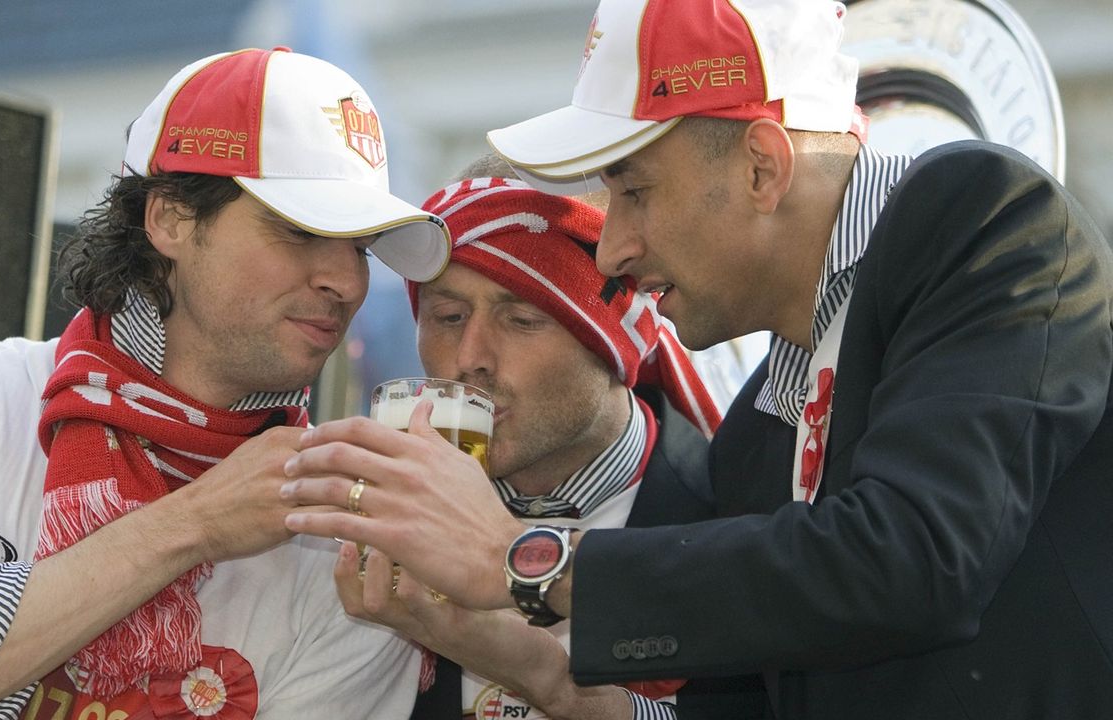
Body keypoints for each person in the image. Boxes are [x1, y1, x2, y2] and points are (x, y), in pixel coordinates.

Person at [278, 1, 1113, 718]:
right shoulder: (752, 437)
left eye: (633, 191)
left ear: (762, 166)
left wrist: (520, 558)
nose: (610, 250)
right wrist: (493, 648)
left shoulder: (986, 217)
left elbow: (915, 557)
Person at [0, 47, 452, 720]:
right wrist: (190, 526)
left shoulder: (341, 541)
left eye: (360, 247)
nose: (347, 281)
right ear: (171, 219)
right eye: (302, 230)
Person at [338, 154, 767, 720]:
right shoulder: (369, 523)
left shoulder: (743, 515)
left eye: (521, 320)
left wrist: (554, 685)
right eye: (447, 317)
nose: (471, 359)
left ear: (614, 341)